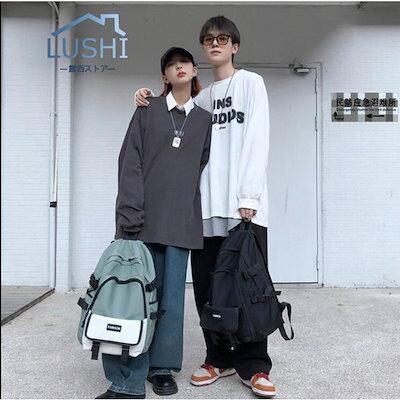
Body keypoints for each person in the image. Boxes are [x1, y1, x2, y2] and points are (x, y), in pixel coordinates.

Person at [134, 15, 275, 398]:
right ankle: (218, 357)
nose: (215, 43)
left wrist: (249, 197)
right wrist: (144, 96)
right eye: (208, 39)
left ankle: (254, 365)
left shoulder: (251, 83)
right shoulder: (202, 99)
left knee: (248, 287)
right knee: (209, 290)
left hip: (244, 209)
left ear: (235, 46)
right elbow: (170, 117)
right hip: (204, 211)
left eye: (222, 38)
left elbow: (257, 139)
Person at [96, 47, 212, 399]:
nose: (179, 67)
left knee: (170, 302)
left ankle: (162, 369)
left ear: (194, 70)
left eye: (184, 62)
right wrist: (130, 214)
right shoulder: (147, 110)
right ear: (164, 76)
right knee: (133, 299)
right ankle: (127, 380)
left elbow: (201, 166)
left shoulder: (204, 120)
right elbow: (129, 161)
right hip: (141, 222)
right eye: (171, 65)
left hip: (180, 222)